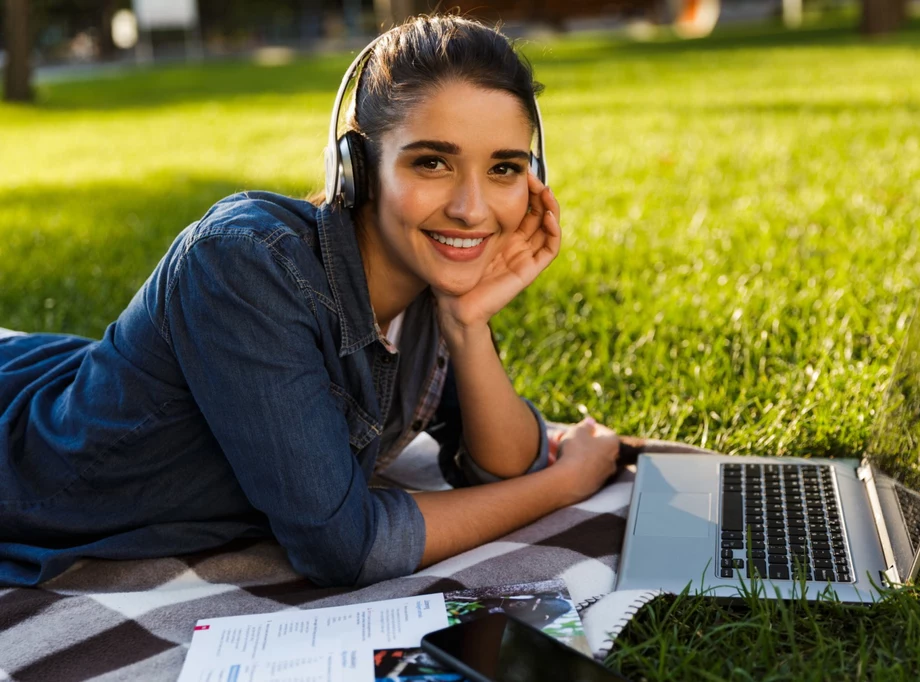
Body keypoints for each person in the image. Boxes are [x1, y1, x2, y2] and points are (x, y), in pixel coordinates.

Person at [0, 15, 622, 589]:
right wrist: (566, 482)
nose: (471, 208)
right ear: (355, 166)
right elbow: (344, 547)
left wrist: (468, 324)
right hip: (29, 470)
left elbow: (502, 467)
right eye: (432, 162)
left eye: (504, 169)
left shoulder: (432, 279)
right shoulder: (244, 266)